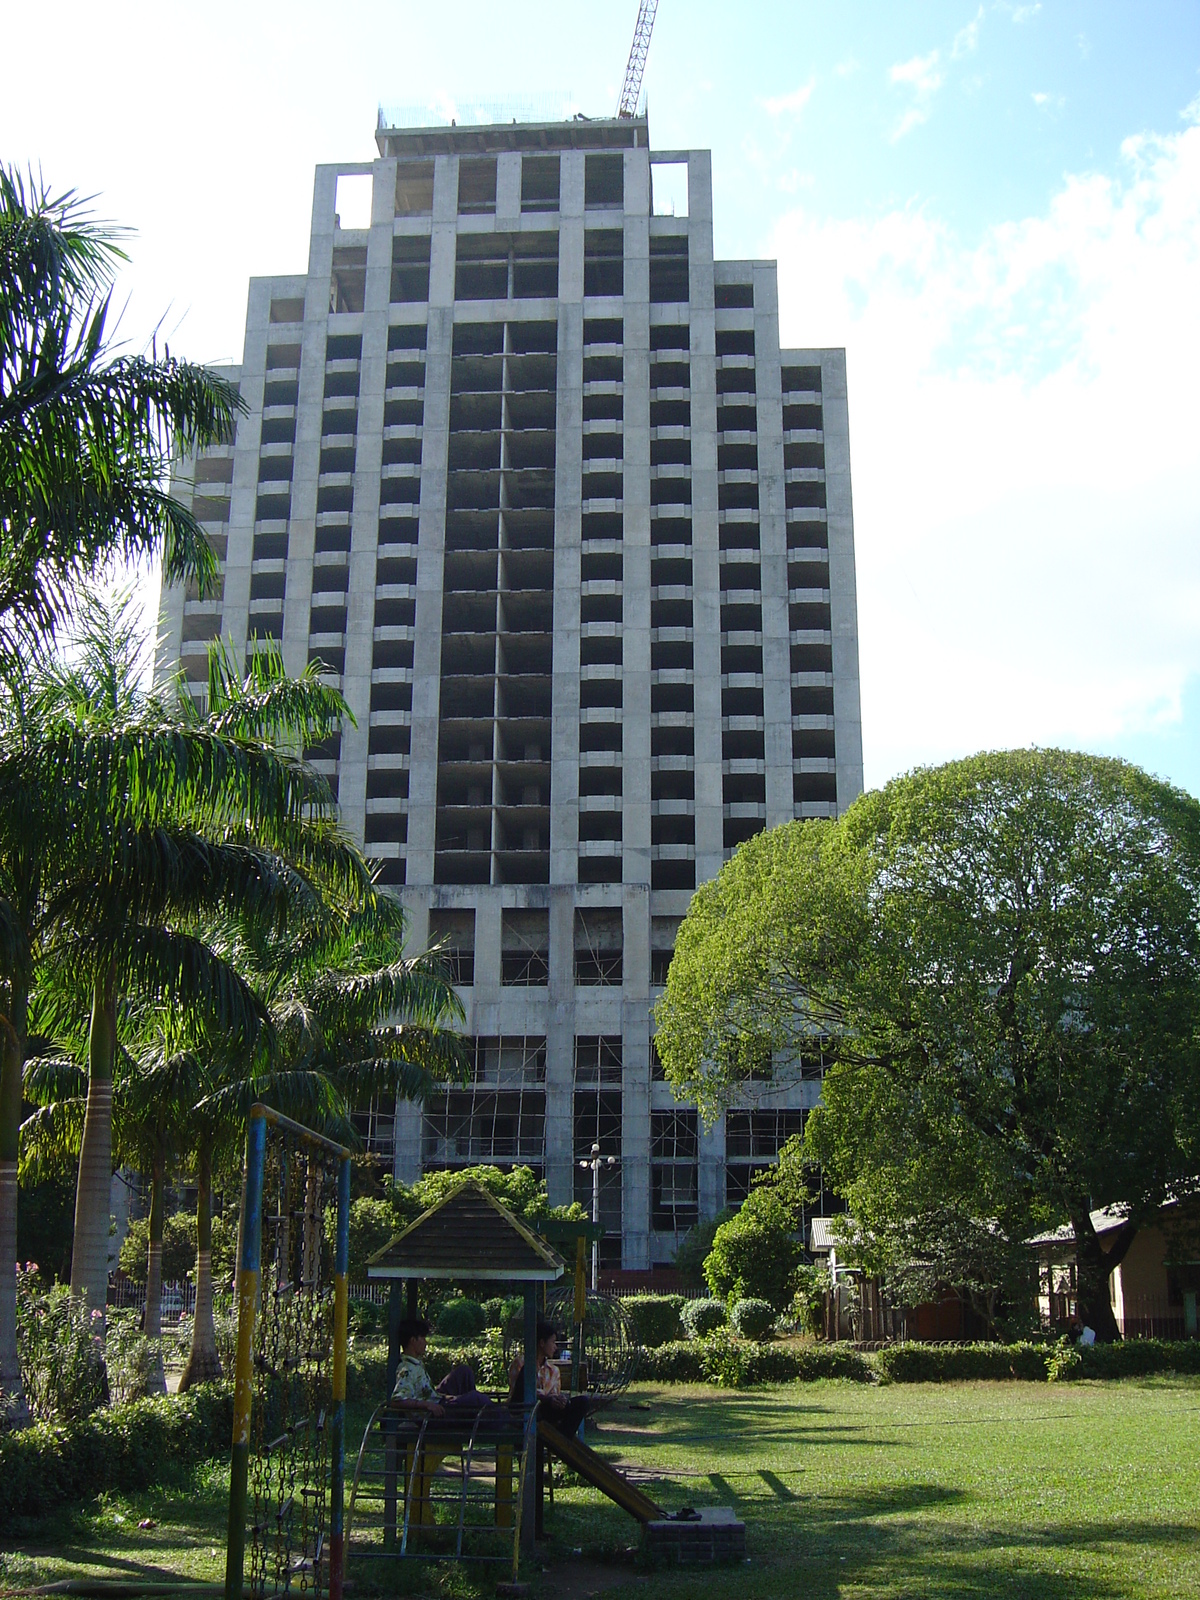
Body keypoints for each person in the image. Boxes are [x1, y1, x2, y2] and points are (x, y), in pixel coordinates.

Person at [390, 1317, 495, 1416]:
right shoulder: (407, 1369)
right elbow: (397, 1401)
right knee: (476, 1398)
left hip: (435, 1398)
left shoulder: (415, 1363)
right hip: (431, 1413)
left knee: (464, 1371)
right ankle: (501, 1416)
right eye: (422, 1338)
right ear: (413, 1341)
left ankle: (471, 1411)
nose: (426, 1342)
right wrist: (427, 1405)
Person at [509, 1318, 592, 1434]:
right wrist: (547, 1399)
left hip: (546, 1411)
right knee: (535, 1411)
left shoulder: (553, 1371)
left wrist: (560, 1401)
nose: (555, 1347)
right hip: (525, 1409)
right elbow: (519, 1393)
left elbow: (554, 1395)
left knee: (582, 1402)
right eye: (553, 1342)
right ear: (542, 1343)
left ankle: (562, 1440)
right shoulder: (520, 1363)